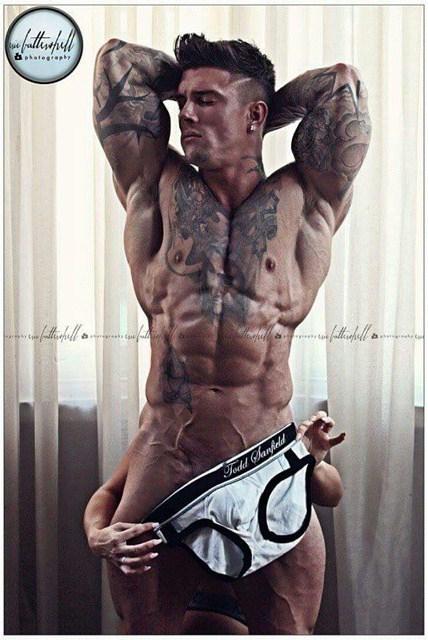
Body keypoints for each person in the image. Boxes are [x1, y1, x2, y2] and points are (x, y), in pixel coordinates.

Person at [90, 32, 370, 633]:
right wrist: (213, 95)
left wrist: (258, 100)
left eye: (207, 101)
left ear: (256, 116)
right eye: (182, 100)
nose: (185, 114)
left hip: (266, 464)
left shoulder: (306, 200)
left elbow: (341, 86)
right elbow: (117, 61)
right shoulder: (153, 184)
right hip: (168, 460)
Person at [84, 412, 344, 634]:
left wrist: (314, 463)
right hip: (189, 596)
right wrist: (95, 534)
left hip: (237, 608)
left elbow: (332, 495)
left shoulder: (272, 433)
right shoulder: (163, 434)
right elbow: (109, 491)